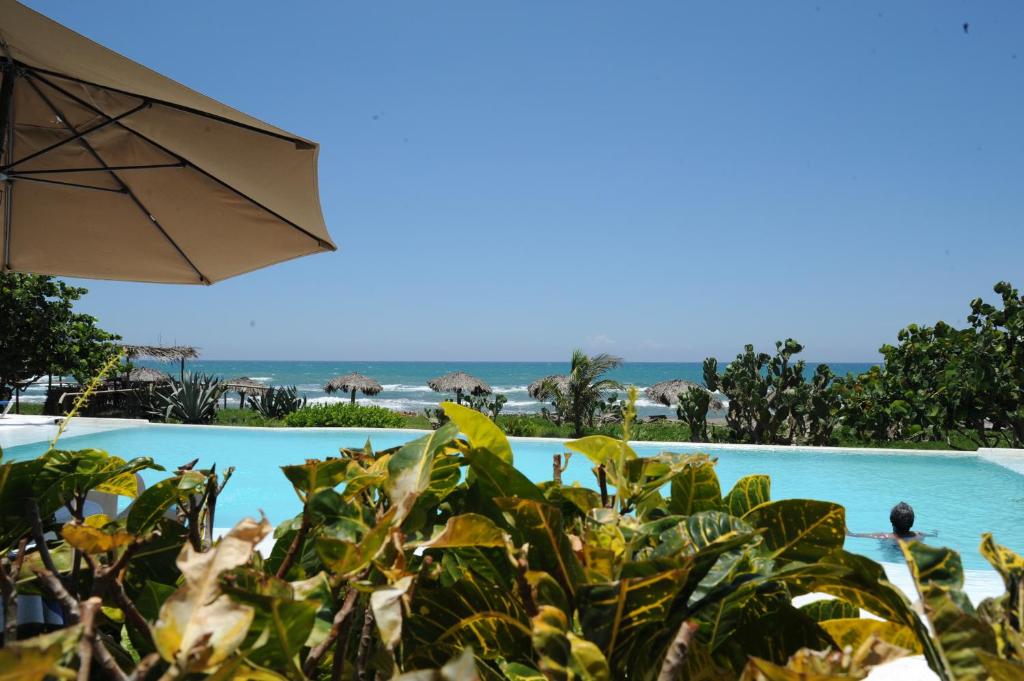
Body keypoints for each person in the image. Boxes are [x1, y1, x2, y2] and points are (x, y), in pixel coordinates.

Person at [847, 502, 936, 541]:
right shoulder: (919, 535)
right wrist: (935, 532)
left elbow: (852, 535)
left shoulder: (884, 536)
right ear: (912, 522)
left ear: (891, 520)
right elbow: (934, 535)